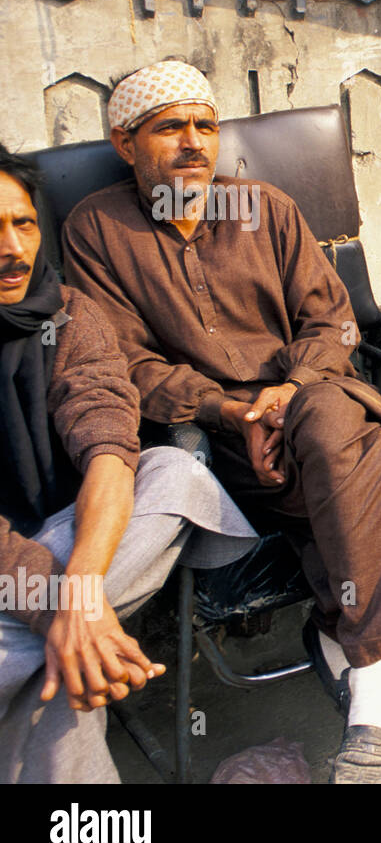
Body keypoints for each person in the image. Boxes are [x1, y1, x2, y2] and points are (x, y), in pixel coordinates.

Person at [61, 61, 381, 783]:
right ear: (125, 143)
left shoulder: (267, 209)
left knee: (332, 419)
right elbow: (124, 361)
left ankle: (369, 678)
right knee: (380, 461)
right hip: (219, 446)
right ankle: (360, 641)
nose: (193, 143)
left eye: (205, 126)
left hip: (313, 406)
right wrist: (230, 408)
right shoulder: (97, 230)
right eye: (169, 128)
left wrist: (290, 389)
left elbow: (334, 323)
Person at [0, 144, 256, 782]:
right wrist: (62, 613)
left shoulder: (67, 315)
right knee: (67, 664)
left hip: (86, 538)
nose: (11, 249)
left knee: (172, 473)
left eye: (23, 223)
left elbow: (109, 449)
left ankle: (72, 637)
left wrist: (77, 593)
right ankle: (80, 648)